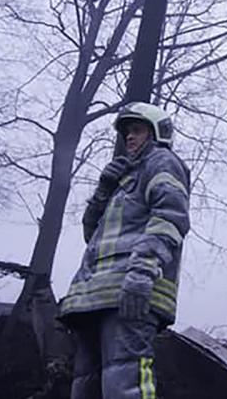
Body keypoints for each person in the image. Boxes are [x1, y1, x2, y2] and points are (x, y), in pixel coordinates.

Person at [58, 102, 191, 399]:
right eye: (127, 132)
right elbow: (91, 235)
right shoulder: (122, 180)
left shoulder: (162, 162)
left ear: (157, 133)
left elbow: (170, 218)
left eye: (137, 130)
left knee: (125, 382)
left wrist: (142, 272)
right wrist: (103, 190)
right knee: (88, 387)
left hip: (131, 291)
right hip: (95, 296)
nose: (129, 137)